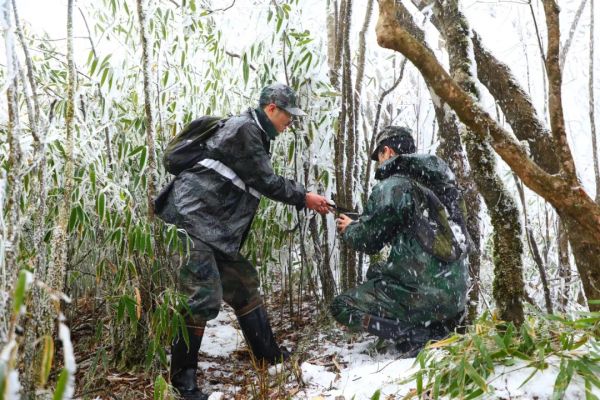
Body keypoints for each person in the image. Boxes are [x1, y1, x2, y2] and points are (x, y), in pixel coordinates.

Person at [155, 83, 330, 400]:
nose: (290, 122)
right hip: (192, 221)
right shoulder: (245, 130)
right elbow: (266, 182)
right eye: (288, 115)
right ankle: (182, 385)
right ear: (272, 109)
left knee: (244, 283)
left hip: (212, 228)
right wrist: (305, 197)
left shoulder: (254, 133)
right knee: (200, 297)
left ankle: (268, 357)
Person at [330, 125, 470, 357]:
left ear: (388, 151)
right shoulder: (438, 185)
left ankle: (413, 335)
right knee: (376, 272)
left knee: (341, 306)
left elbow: (370, 241)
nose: (378, 162)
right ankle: (438, 325)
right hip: (454, 298)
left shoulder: (392, 186)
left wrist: (349, 230)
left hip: (423, 294)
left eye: (379, 156)